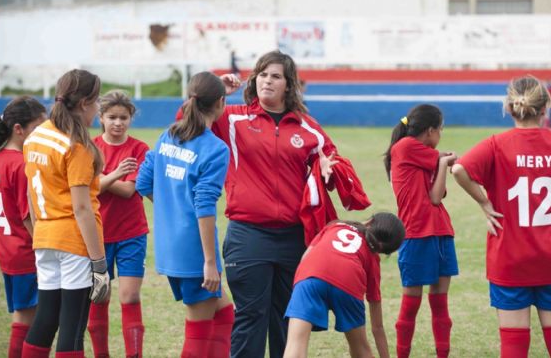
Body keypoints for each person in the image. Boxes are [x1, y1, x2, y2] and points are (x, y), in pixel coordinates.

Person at [451, 75, 551, 358]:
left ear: (509, 107)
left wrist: (484, 203)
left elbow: (458, 170)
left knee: (513, 347)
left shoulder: (495, 144)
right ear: (545, 108)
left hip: (510, 258)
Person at [213, 50, 339, 358]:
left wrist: (329, 171)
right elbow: (185, 122)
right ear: (254, 80)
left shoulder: (308, 128)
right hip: (248, 235)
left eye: (276, 76)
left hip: (294, 237)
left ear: (288, 85)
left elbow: (335, 165)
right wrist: (216, 92)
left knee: (287, 319)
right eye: (263, 75)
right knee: (250, 317)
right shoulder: (232, 118)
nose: (267, 81)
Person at [136, 72, 234, 358]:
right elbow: (204, 207)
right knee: (198, 332)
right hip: (194, 253)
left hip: (170, 248)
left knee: (226, 314)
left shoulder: (169, 134)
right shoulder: (216, 148)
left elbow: (143, 183)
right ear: (220, 103)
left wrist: (173, 209)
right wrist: (209, 263)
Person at [22, 69, 110, 358]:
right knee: (72, 328)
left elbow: (31, 197)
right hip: (73, 243)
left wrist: (41, 234)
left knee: (46, 319)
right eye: (97, 102)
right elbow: (82, 208)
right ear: (84, 102)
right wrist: (99, 263)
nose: (98, 109)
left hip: (45, 237)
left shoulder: (36, 136)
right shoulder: (77, 145)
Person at [383, 104, 458, 358]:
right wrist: (444, 159)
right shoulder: (404, 147)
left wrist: (442, 162)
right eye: (441, 129)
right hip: (415, 233)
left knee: (440, 304)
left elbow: (436, 198)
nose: (441, 135)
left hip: (441, 231)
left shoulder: (427, 156)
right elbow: (444, 158)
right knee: (410, 304)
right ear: (429, 130)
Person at [283, 213, 405, 358]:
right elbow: (377, 327)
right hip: (348, 282)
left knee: (295, 344)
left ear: (369, 222)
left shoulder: (335, 226)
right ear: (385, 251)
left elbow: (305, 257)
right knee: (360, 348)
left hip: (310, 275)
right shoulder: (373, 260)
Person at [87, 90, 149, 358]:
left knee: (130, 297)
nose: (117, 123)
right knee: (99, 298)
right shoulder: (89, 147)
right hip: (96, 235)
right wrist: (115, 175)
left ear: (130, 119)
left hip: (131, 234)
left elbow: (128, 190)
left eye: (123, 117)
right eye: (112, 117)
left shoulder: (139, 149)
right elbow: (88, 191)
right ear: (100, 117)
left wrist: (101, 179)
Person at [0, 96, 46, 358]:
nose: (43, 133)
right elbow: (27, 216)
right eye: (38, 128)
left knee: (22, 316)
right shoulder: (22, 164)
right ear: (18, 129)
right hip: (26, 252)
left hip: (6, 250)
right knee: (29, 321)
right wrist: (45, 248)